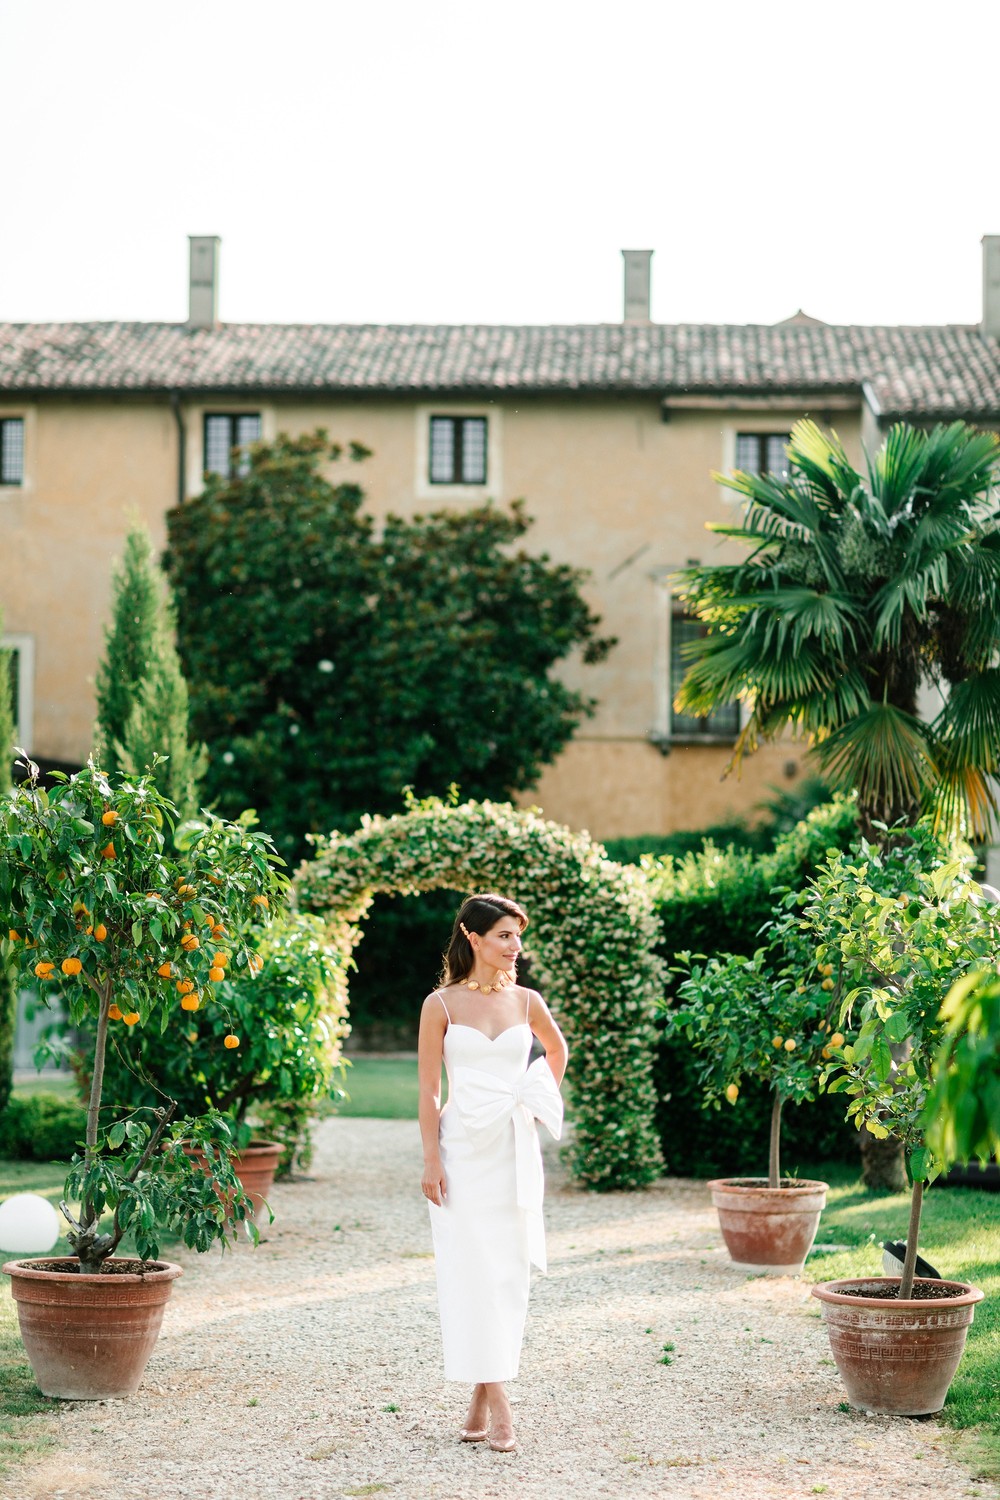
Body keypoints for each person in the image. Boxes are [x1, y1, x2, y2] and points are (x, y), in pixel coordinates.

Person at [418, 892, 568, 1454]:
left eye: (518, 936)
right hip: (459, 1152)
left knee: (505, 1273)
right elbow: (429, 1090)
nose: (516, 947)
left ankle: (485, 1394)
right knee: (467, 1270)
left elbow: (557, 1051)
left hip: (511, 1148)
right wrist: (431, 1158)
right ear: (474, 938)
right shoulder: (441, 1005)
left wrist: (531, 1096)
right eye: (505, 935)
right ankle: (497, 1398)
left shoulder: (528, 1001)